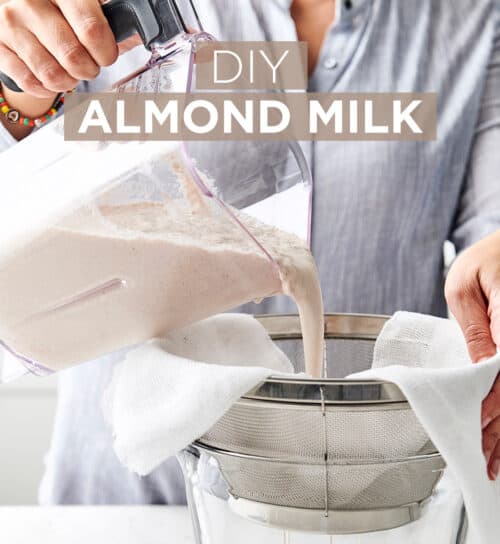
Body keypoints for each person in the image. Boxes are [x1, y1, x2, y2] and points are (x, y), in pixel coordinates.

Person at [0, 0, 499, 502]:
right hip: (122, 512)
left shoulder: (475, 20)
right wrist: (20, 88)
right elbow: (21, 171)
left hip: (365, 510)